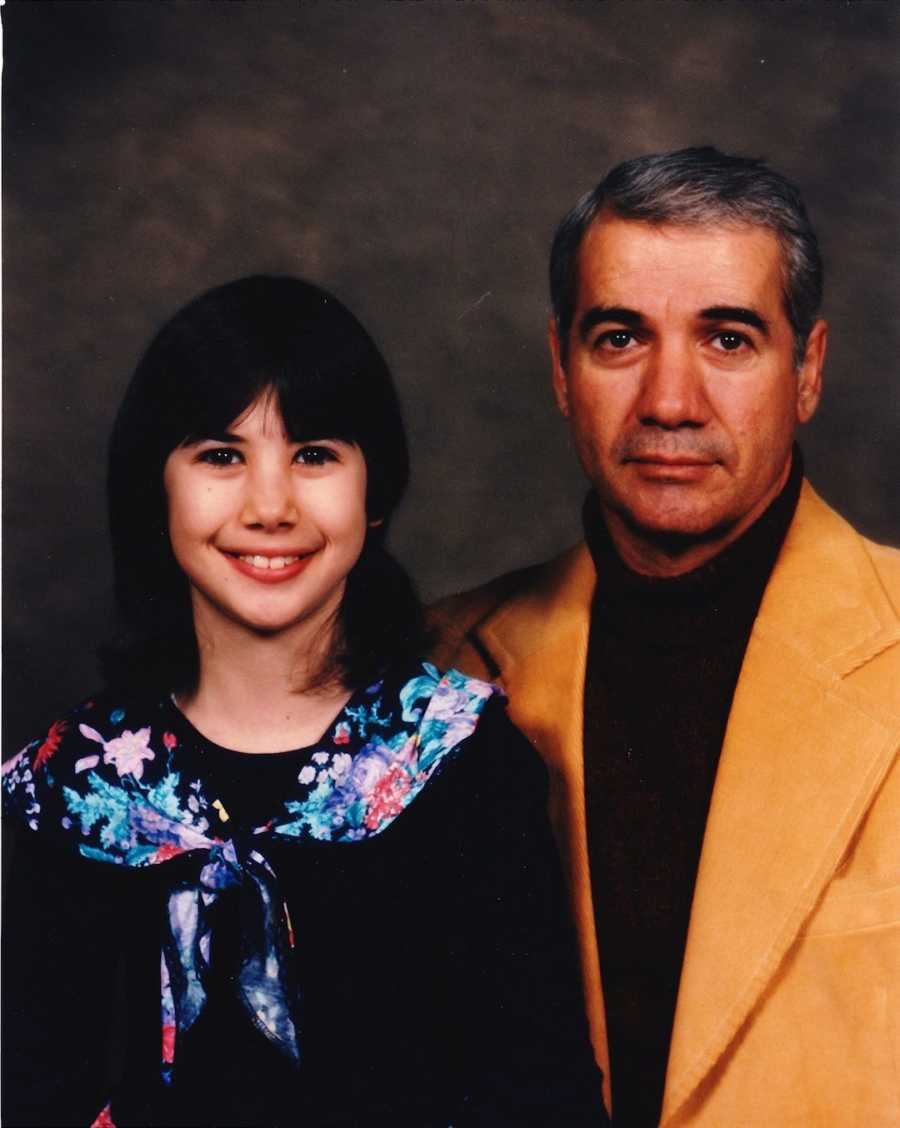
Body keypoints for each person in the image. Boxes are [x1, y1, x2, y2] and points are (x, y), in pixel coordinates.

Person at [2, 276, 606, 1127]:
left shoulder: (460, 761)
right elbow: (34, 1094)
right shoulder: (81, 787)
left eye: (315, 453)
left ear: (376, 493)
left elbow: (544, 1098)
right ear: (157, 489)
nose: (270, 506)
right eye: (220, 455)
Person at [431, 149, 900, 1126]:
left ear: (808, 370)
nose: (671, 402)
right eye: (620, 340)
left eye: (727, 339)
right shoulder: (431, 670)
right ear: (562, 369)